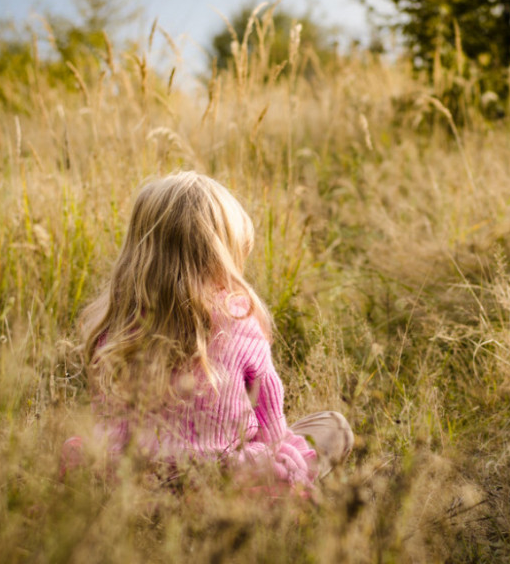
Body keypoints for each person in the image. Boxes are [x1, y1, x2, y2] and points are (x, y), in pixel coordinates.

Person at [62, 171, 353, 491]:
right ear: (221, 257)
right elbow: (272, 433)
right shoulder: (241, 325)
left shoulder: (114, 331)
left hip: (132, 484)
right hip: (219, 483)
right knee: (332, 427)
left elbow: (110, 426)